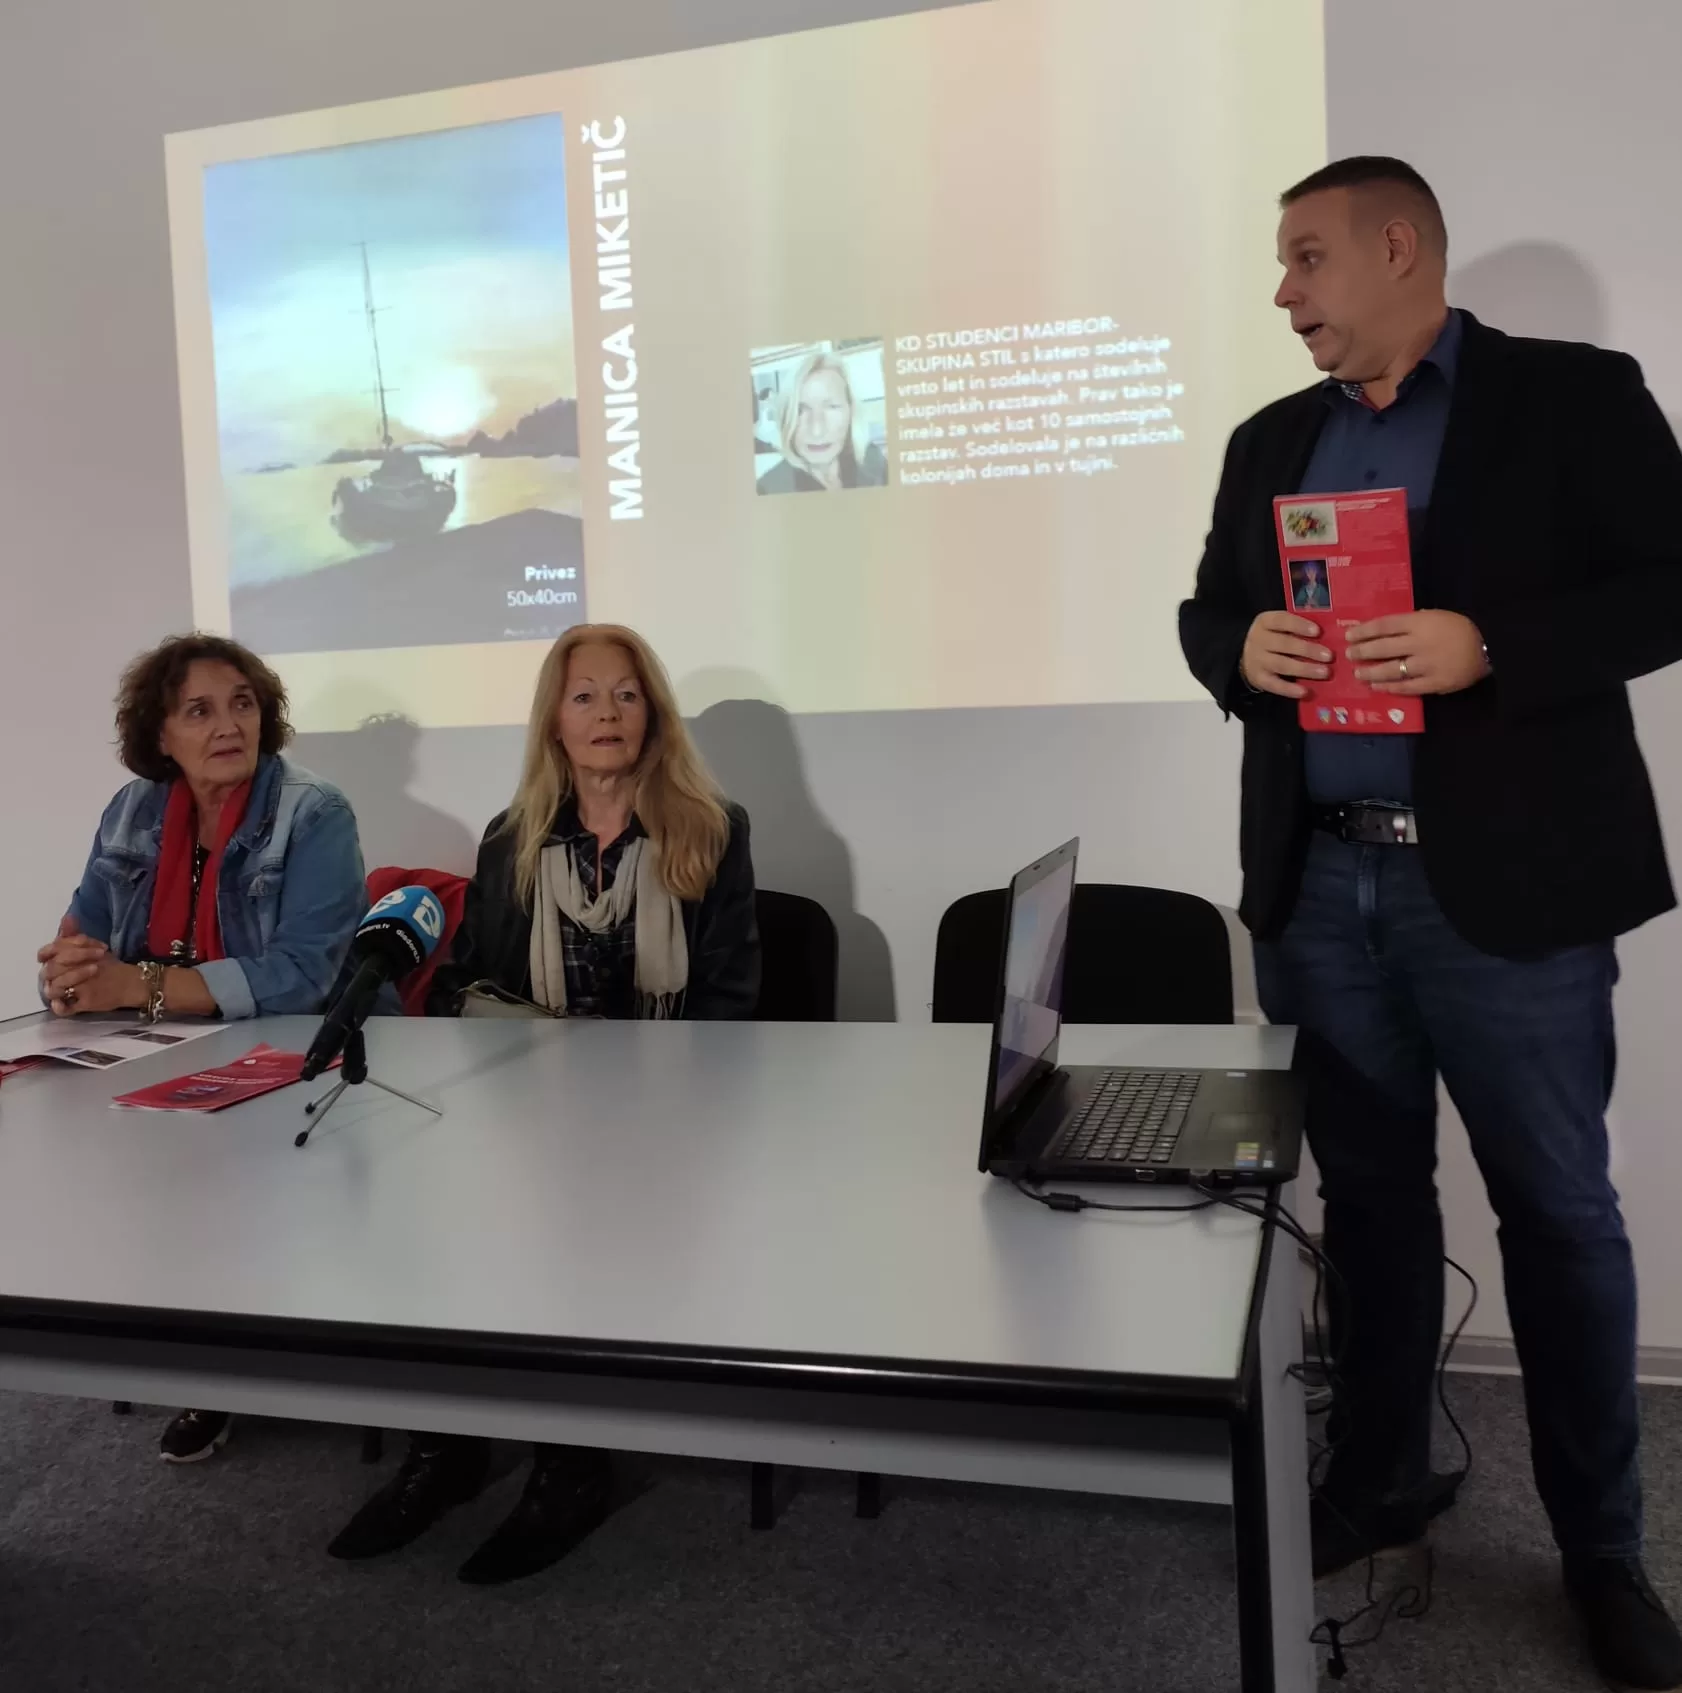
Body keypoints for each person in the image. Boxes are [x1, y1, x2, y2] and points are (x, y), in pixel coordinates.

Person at [1179, 156, 1682, 1690]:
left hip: (1506, 893)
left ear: (1397, 246)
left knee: (1559, 1217)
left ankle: (1600, 1548)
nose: (1283, 292)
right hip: (1319, 889)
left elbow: (1669, 585)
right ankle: (1380, 1480)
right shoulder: (1271, 437)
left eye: (1305, 257)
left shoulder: (1570, 395)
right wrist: (1238, 649)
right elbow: (1204, 608)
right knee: (1371, 1206)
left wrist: (1492, 646)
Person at [328, 622, 760, 1585]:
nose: (607, 713)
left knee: (577, 1221)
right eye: (584, 696)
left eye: (626, 694)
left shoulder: (712, 828)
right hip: (531, 1108)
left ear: (653, 713)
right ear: (554, 721)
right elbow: (464, 979)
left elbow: (731, 1004)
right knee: (425, 1207)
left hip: (666, 1119)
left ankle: (570, 1467)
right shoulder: (510, 837)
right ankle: (445, 1448)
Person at [37, 633, 371, 1466]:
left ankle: (295, 1354)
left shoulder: (314, 813)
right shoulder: (132, 812)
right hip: (163, 1045)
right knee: (117, 1165)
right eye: (200, 710)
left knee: (241, 1178)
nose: (228, 725)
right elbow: (87, 928)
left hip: (298, 1048)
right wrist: (70, 973)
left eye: (242, 704)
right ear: (161, 735)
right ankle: (211, 1364)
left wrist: (137, 986)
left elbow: (300, 977)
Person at [756, 349, 889, 493]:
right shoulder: (767, 490)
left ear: (851, 411)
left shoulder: (873, 460)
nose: (817, 431)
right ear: (786, 419)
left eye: (832, 407)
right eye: (800, 410)